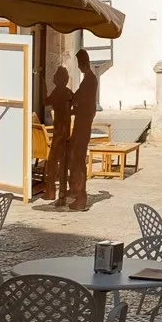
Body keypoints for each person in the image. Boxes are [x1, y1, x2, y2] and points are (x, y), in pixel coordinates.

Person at [64, 50, 102, 211]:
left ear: (84, 64)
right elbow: (78, 98)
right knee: (73, 156)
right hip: (81, 123)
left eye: (80, 65)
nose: (79, 67)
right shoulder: (88, 79)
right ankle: (74, 189)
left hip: (83, 124)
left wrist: (72, 106)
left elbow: (81, 100)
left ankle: (81, 195)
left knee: (78, 159)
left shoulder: (89, 80)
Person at [41, 65, 76, 205]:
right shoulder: (68, 93)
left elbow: (45, 102)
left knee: (53, 163)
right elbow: (76, 106)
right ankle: (61, 192)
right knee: (63, 163)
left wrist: (43, 87)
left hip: (58, 133)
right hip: (65, 133)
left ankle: (51, 192)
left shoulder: (57, 92)